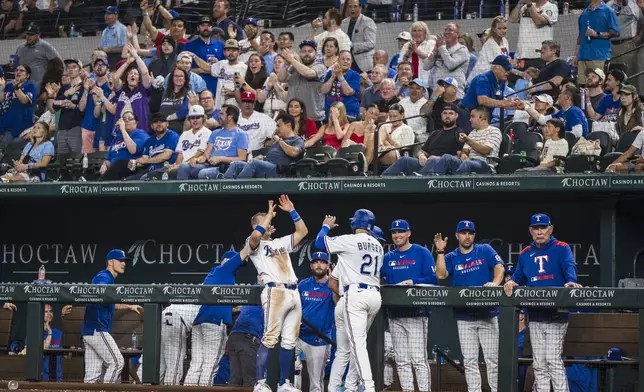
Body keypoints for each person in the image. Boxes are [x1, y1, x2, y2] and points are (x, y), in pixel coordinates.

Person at [504, 214, 582, 392]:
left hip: (556, 314)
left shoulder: (561, 248)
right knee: (539, 362)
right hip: (536, 314)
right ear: (531, 231)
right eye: (536, 228)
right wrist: (511, 282)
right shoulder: (525, 253)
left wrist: (571, 281)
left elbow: (569, 267)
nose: (540, 231)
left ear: (551, 229)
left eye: (543, 227)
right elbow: (518, 277)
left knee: (553, 360)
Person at [315, 209, 383, 392]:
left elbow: (319, 242)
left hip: (355, 296)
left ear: (355, 224)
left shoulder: (349, 240)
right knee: (352, 345)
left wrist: (326, 226)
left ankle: (368, 387)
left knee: (355, 345)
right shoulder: (379, 245)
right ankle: (346, 386)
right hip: (374, 296)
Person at [434, 220, 505, 392]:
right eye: (463, 233)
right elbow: (441, 275)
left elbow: (499, 267)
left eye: (470, 233)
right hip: (464, 317)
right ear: (457, 235)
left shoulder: (485, 250)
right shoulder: (451, 257)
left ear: (474, 235)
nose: (467, 236)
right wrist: (441, 251)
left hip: (487, 314)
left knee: (492, 360)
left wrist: (495, 283)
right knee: (470, 360)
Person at [247, 195, 308, 392]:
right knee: (270, 337)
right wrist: (267, 218)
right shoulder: (253, 244)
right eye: (265, 222)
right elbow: (256, 236)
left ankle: (284, 384)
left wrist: (292, 210)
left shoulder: (279, 242)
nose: (269, 224)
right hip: (275, 291)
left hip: (293, 291)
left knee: (290, 341)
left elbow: (303, 231)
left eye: (270, 221)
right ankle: (260, 383)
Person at [381, 219, 437, 392]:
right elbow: (379, 278)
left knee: (419, 359)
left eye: (401, 231)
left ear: (408, 233)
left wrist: (413, 281)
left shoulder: (421, 253)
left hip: (416, 313)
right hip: (394, 314)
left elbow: (433, 279)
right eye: (394, 232)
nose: (397, 235)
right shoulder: (388, 257)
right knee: (401, 359)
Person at [185, 250, 246, 386]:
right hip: (214, 324)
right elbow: (246, 251)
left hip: (199, 323)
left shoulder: (214, 274)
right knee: (210, 366)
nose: (237, 266)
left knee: (195, 366)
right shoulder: (225, 270)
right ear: (226, 260)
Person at [82, 249, 142, 384]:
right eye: (120, 260)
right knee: (117, 362)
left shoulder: (108, 278)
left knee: (92, 376)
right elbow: (100, 288)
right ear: (110, 262)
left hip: (89, 332)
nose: (123, 263)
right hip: (97, 329)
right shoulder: (104, 276)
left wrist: (129, 306)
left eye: (124, 261)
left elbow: (109, 302)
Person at [382, 103, 464, 176]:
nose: (447, 116)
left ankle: (419, 180)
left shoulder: (458, 133)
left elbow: (460, 157)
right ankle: (381, 181)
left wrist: (438, 158)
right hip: (426, 163)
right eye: (445, 113)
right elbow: (422, 151)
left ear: (456, 116)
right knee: (404, 160)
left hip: (442, 165)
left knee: (433, 160)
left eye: (451, 113)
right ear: (441, 115)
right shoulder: (435, 133)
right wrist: (421, 156)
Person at [294, 251, 335, 392]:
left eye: (322, 262)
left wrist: (335, 282)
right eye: (316, 262)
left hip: (319, 338)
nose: (319, 264)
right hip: (298, 336)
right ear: (311, 266)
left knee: (316, 382)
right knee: (289, 371)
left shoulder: (332, 286)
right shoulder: (303, 284)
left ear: (328, 266)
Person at [176, 104, 248, 180]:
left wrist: (221, 159)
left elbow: (242, 158)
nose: (219, 116)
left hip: (226, 167)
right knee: (184, 167)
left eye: (221, 114)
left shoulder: (241, 134)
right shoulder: (215, 133)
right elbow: (207, 153)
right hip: (209, 164)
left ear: (230, 117)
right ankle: (182, 191)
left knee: (203, 173)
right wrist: (199, 159)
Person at [223, 112, 304, 179]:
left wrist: (279, 140)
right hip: (267, 168)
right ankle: (224, 191)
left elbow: (294, 152)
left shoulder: (297, 140)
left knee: (254, 163)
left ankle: (237, 189)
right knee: (236, 164)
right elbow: (274, 157)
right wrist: (263, 159)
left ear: (288, 126)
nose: (276, 129)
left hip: (280, 171)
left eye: (279, 126)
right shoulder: (277, 142)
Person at [136, 304, 200, 385]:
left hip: (162, 316)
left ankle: (139, 387)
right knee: (173, 368)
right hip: (177, 321)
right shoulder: (203, 301)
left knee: (157, 365)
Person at [426, 107, 501, 175]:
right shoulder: (473, 132)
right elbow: (465, 150)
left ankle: (453, 185)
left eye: (472, 116)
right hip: (468, 161)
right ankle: (424, 178)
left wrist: (467, 140)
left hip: (484, 165)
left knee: (467, 163)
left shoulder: (494, 131)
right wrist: (464, 154)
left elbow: (486, 150)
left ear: (482, 118)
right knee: (445, 158)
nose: (469, 119)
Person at [280, 40, 327, 126]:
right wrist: (286, 64)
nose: (306, 54)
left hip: (313, 119)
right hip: (293, 118)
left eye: (310, 51)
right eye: (303, 51)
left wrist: (292, 60)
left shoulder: (320, 67)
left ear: (315, 54)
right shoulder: (294, 68)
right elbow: (281, 78)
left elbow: (309, 74)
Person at [574, 0, 620, 85]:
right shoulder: (584, 13)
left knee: (597, 86)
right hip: (583, 57)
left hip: (599, 57)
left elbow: (616, 32)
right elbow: (580, 36)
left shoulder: (608, 11)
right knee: (582, 89)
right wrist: (575, 55)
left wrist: (597, 34)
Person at [126, 113, 179, 180]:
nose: (159, 124)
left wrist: (146, 161)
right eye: (155, 122)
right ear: (151, 126)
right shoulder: (149, 141)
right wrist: (135, 162)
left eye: (162, 121)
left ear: (167, 124)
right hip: (149, 171)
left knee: (146, 178)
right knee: (128, 181)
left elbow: (166, 156)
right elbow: (144, 160)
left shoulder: (172, 136)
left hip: (166, 170)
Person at [99, 111, 150, 181]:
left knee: (119, 163)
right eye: (124, 119)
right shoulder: (117, 138)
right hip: (113, 170)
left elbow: (133, 150)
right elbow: (109, 159)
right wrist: (105, 164)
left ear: (136, 122)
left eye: (130, 118)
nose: (126, 120)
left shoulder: (140, 134)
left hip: (130, 167)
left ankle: (101, 183)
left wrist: (123, 130)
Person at [509, 0, 559, 71]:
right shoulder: (524, 7)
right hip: (521, 55)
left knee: (539, 81)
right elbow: (512, 19)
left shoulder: (551, 7)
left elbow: (539, 22)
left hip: (540, 56)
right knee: (519, 81)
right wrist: (519, 3)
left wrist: (529, 4)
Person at [424, 23, 469, 99]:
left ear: (457, 34)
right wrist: (435, 49)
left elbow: (450, 65)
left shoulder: (462, 49)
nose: (446, 32)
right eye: (445, 30)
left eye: (450, 30)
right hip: (437, 93)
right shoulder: (440, 48)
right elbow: (426, 66)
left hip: (455, 94)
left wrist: (441, 47)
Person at [182, 16, 225, 96]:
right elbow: (182, 69)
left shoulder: (220, 45)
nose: (206, 28)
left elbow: (227, 66)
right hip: (195, 88)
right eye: (203, 25)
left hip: (216, 87)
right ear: (198, 28)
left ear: (212, 28)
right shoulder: (189, 46)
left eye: (208, 25)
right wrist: (200, 70)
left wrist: (218, 65)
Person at [15, 24, 62, 94]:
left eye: (31, 35)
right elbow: (15, 64)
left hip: (38, 86)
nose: (28, 37)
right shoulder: (20, 48)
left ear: (38, 35)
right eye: (27, 34)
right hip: (21, 85)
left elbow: (59, 63)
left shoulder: (45, 46)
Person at [227, 303, 264, 387]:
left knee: (235, 379)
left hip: (234, 336)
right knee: (250, 380)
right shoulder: (265, 301)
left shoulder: (249, 300)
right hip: (248, 336)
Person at [0, 64, 37, 145]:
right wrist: (1, 88)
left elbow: (24, 101)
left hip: (21, 126)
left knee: (13, 151)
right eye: (16, 70)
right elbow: (1, 100)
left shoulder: (30, 86)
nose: (18, 72)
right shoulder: (9, 85)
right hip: (5, 125)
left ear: (27, 75)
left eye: (21, 70)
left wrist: (17, 88)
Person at [321, 50, 361, 121]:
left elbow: (348, 92)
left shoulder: (355, 75)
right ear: (338, 60)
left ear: (351, 61)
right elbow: (323, 90)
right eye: (343, 59)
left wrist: (340, 76)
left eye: (348, 59)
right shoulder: (330, 73)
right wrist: (332, 77)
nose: (345, 61)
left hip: (349, 114)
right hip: (330, 114)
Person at [468, 16, 510, 82]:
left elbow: (506, 62)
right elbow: (496, 66)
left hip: (493, 77)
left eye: (504, 28)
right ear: (494, 29)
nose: (502, 31)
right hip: (480, 79)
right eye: (499, 28)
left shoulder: (505, 41)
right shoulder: (490, 43)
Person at [341, 0, 376, 74]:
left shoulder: (368, 22)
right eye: (350, 7)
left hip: (363, 65)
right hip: (347, 63)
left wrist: (353, 46)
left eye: (355, 6)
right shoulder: (343, 23)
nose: (352, 9)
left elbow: (371, 43)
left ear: (360, 8)